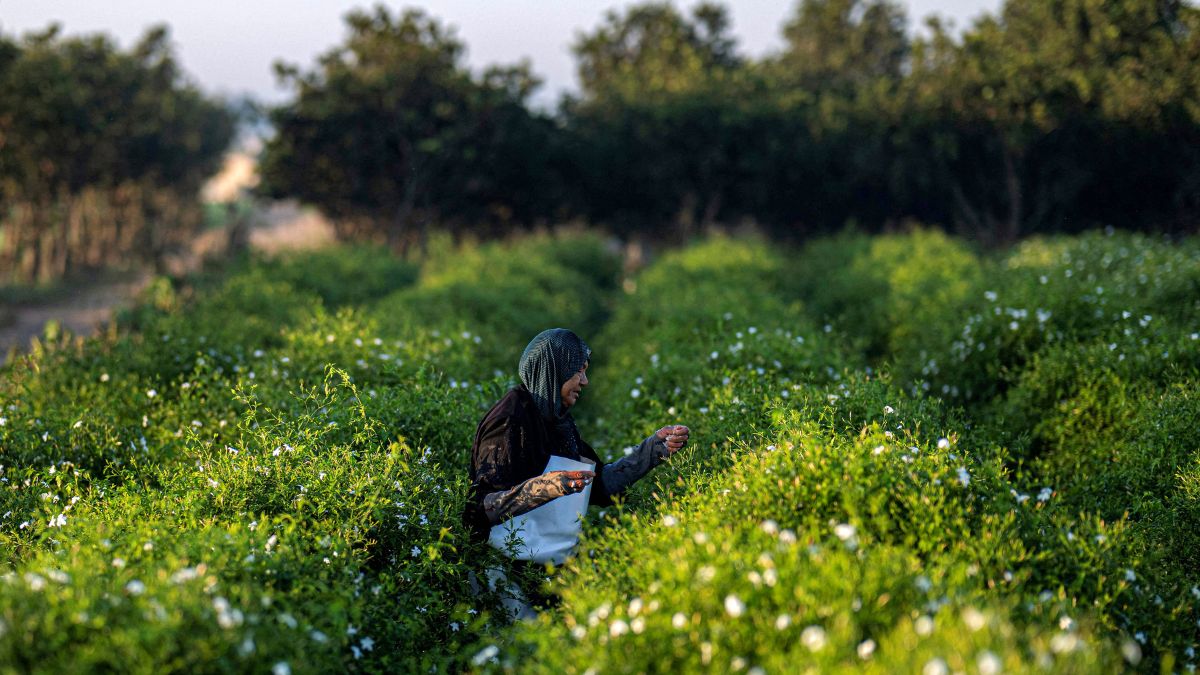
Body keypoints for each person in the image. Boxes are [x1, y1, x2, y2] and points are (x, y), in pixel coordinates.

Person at [463, 328, 689, 611]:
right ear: (554, 370)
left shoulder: (557, 421)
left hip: (547, 567)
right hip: (506, 576)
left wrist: (654, 449)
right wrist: (542, 488)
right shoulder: (510, 422)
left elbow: (600, 487)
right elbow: (480, 507)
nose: (585, 381)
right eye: (578, 372)